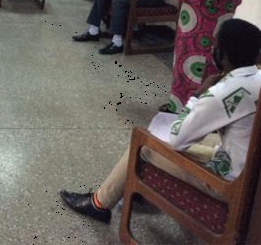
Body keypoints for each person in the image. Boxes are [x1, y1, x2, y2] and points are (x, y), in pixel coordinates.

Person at [60, 18, 261, 224]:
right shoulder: (258, 78)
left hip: (230, 181)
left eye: (215, 44)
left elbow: (177, 139)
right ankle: (139, 186)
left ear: (223, 51)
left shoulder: (222, 92)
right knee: (187, 135)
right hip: (250, 172)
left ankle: (99, 204)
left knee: (144, 144)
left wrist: (197, 97)